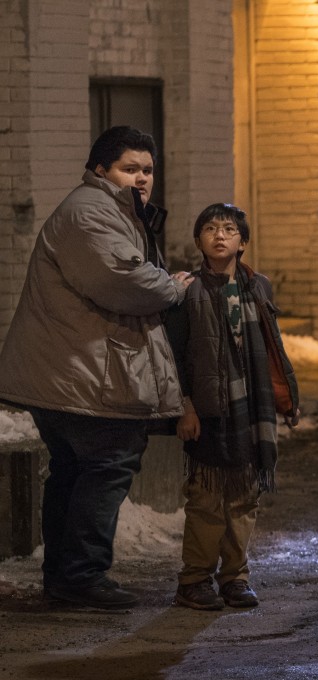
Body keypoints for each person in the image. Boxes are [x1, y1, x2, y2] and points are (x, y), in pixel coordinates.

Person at [0, 126, 193, 609]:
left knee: (74, 470)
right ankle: (81, 577)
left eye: (148, 170)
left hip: (74, 371)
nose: (142, 178)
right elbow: (124, 281)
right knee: (107, 466)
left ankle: (65, 576)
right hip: (84, 375)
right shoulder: (90, 213)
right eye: (130, 168)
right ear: (101, 169)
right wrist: (172, 287)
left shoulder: (111, 210)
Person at [165, 203, 299, 611]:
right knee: (206, 497)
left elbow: (273, 348)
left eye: (228, 229)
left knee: (243, 495)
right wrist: (184, 406)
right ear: (198, 240)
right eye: (209, 228)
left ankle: (235, 578)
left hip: (249, 409)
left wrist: (285, 395)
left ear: (243, 241)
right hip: (207, 408)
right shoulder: (187, 291)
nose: (219, 235)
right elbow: (176, 355)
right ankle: (194, 580)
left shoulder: (259, 287)